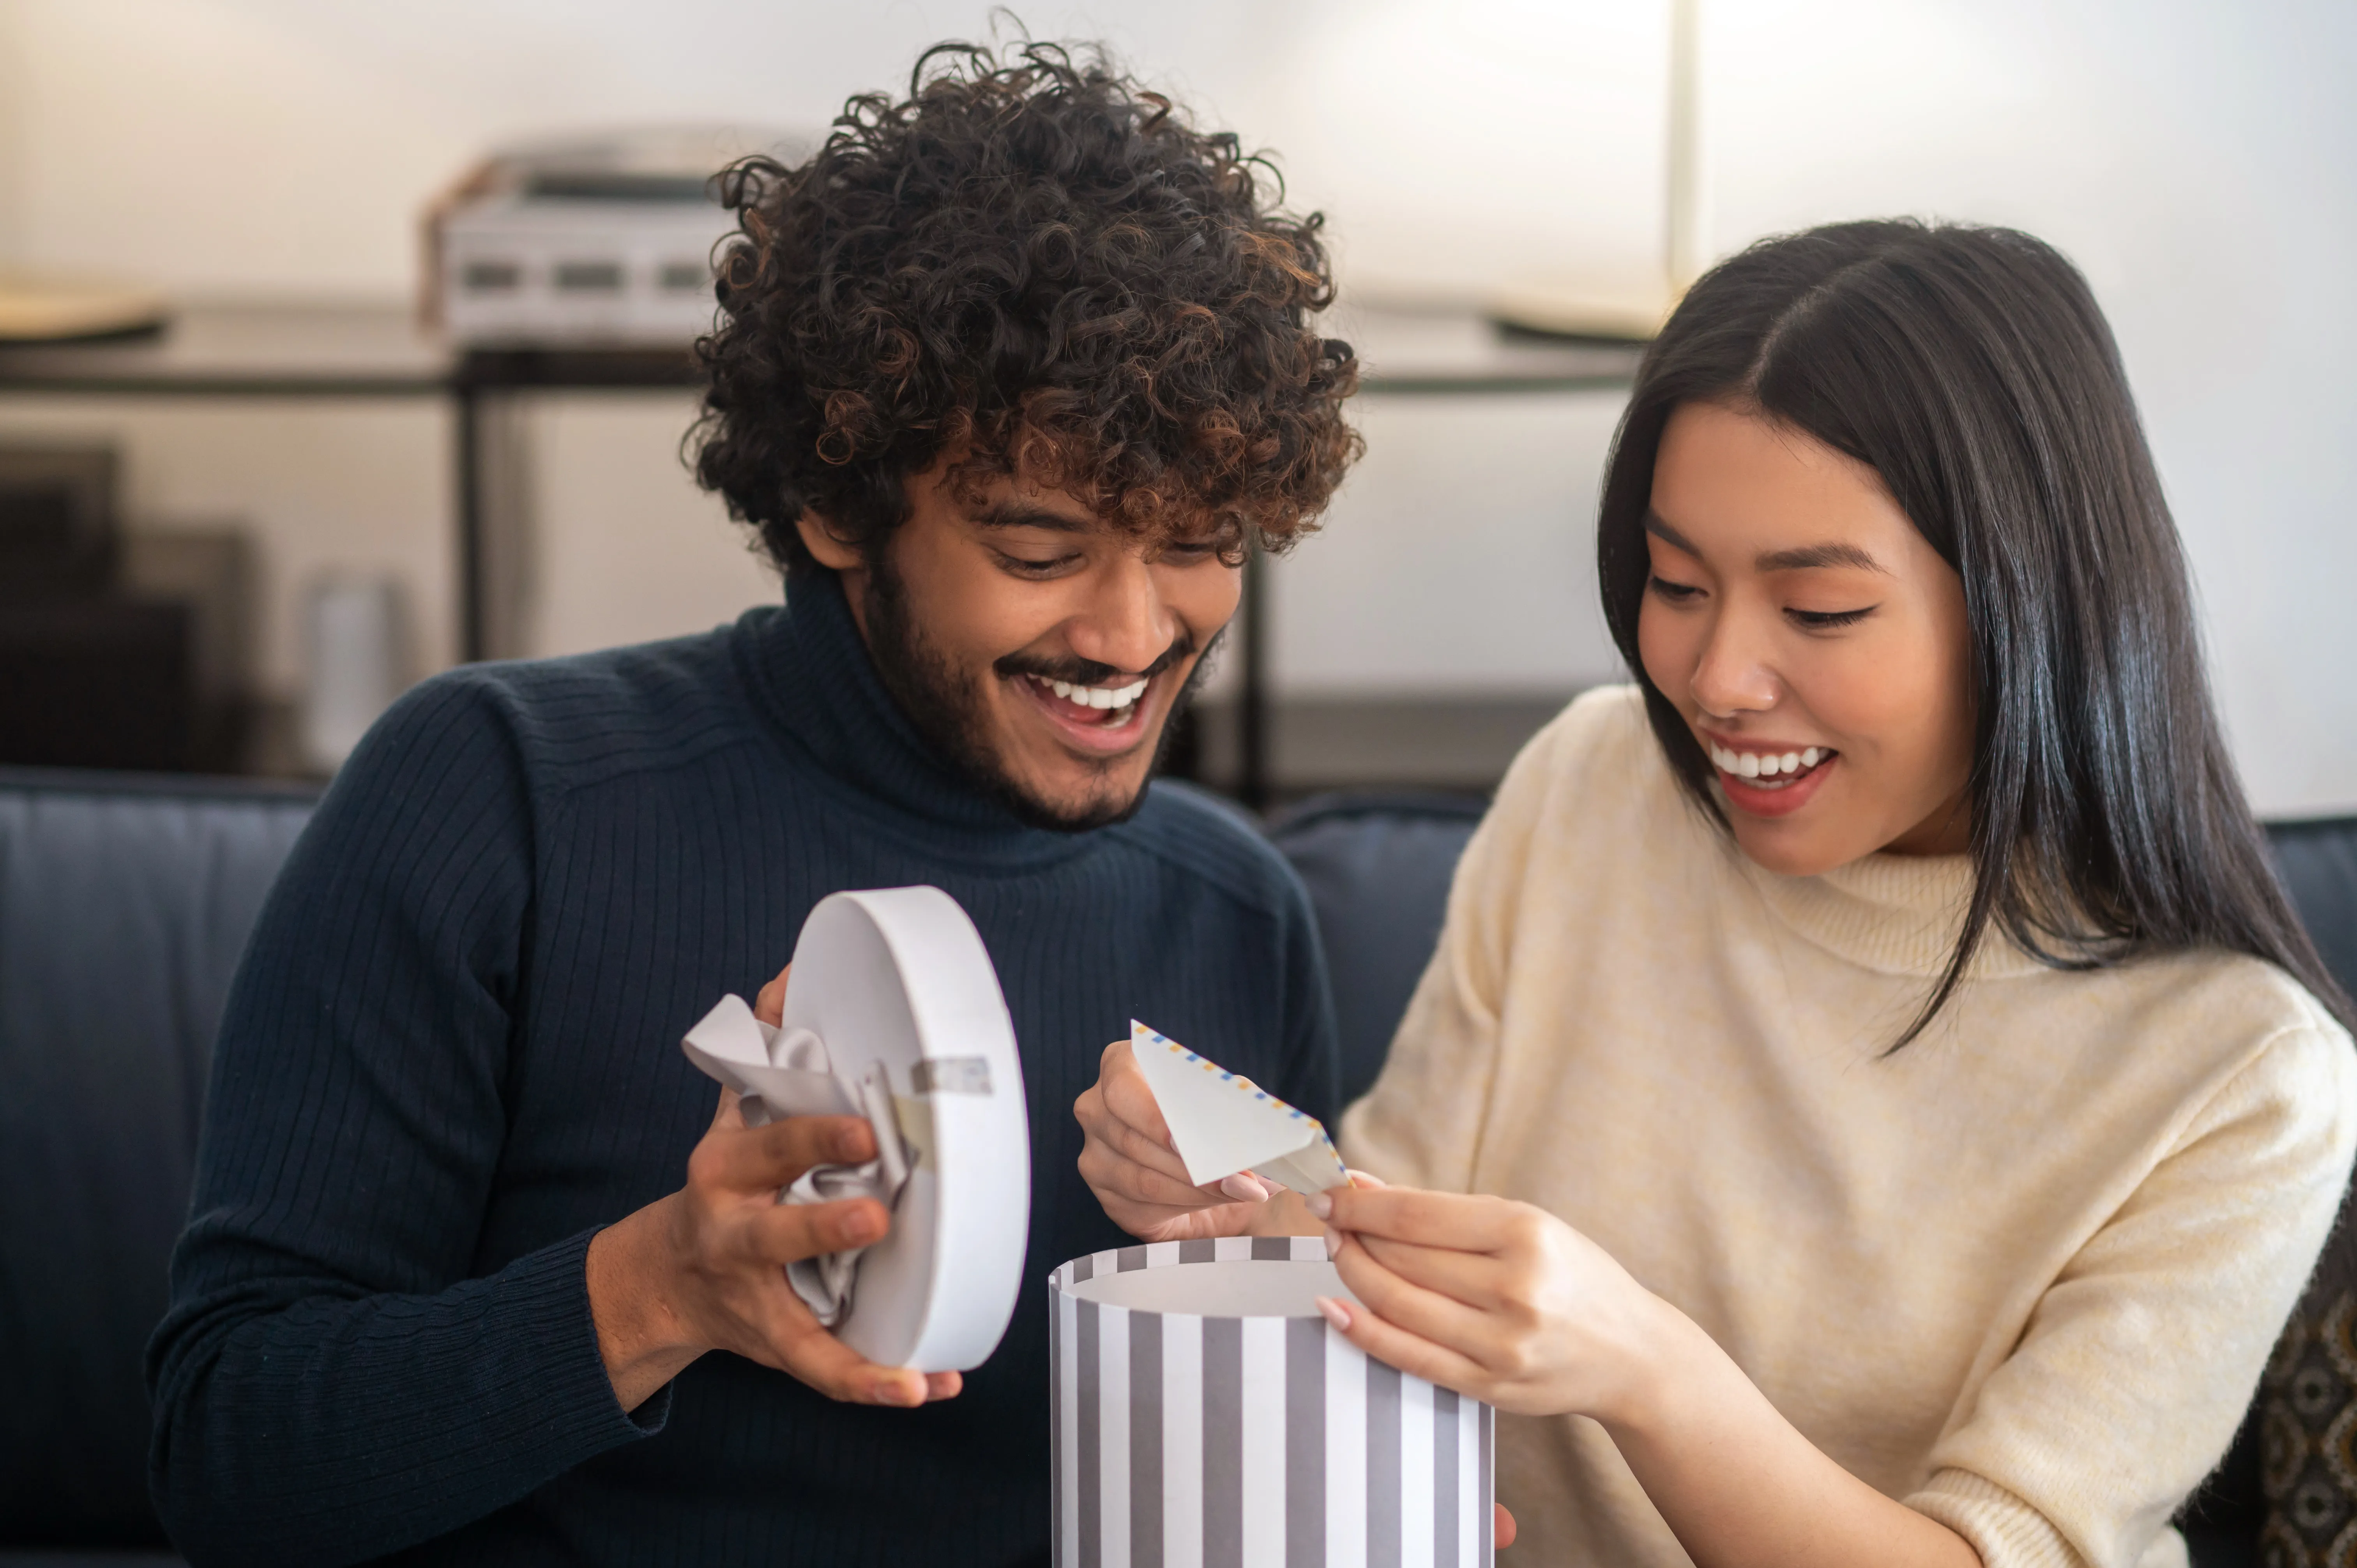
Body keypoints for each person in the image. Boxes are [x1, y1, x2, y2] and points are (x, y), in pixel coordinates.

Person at [148, 42, 1357, 1567]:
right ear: (840, 503)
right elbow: (229, 1459)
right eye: (1042, 549)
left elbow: (1281, 1483)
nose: (1132, 636)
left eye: (1198, 542)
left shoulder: (1233, 911)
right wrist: (661, 1288)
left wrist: (1344, 1357)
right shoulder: (496, 795)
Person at [1076, 219, 2357, 1567]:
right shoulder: (1596, 782)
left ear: (2026, 606)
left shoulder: (2246, 1079)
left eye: (1818, 612)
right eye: (1677, 584)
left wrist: (1642, 1366)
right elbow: (1396, 1243)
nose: (1718, 680)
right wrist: (1233, 1181)